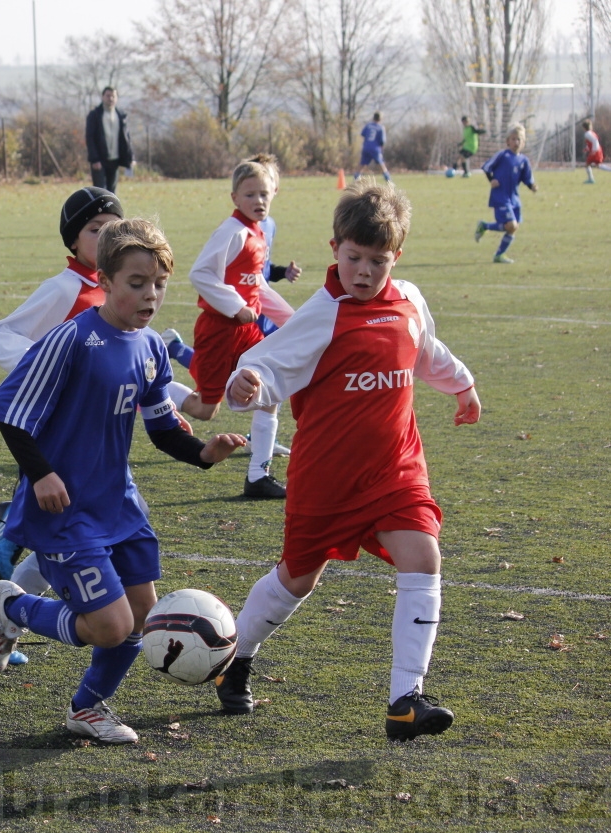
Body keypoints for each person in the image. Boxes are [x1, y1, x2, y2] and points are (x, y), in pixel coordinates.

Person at [217, 180, 481, 742]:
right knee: (296, 581)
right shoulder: (323, 314)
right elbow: (268, 364)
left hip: (394, 472)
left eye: (377, 260)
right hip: (326, 480)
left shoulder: (408, 300)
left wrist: (462, 386)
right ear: (334, 248)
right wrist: (250, 382)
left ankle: (405, 699)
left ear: (396, 258)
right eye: (354, 256)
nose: (364, 270)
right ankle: (234, 657)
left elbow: (426, 351)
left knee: (423, 556)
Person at [0, 217, 245, 744]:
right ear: (105, 280)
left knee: (142, 620)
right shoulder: (71, 340)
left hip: (119, 508)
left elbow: (164, 427)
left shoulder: (149, 349)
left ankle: (88, 709)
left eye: (159, 284)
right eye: (137, 283)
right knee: (110, 626)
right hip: (66, 512)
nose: (150, 295)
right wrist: (42, 474)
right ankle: (11, 606)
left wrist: (203, 453)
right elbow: (8, 412)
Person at [0, 186, 125, 667]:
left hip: (90, 441)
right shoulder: (66, 288)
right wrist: (49, 370)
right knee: (73, 542)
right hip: (57, 437)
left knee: (68, 544)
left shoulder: (113, 290)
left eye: (116, 228)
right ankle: (12, 535)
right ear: (74, 241)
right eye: (97, 230)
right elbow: (1, 333)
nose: (108, 235)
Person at [161, 153, 300, 458]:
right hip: (219, 329)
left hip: (246, 330)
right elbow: (201, 273)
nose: (259, 200)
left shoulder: (258, 232)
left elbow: (257, 285)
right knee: (205, 409)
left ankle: (258, 470)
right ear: (235, 197)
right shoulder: (233, 231)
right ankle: (155, 392)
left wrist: (291, 318)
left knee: (270, 383)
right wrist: (236, 306)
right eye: (250, 194)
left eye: (264, 194)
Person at [474, 124, 537, 264]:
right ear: (508, 141)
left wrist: (532, 186)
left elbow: (526, 178)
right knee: (512, 225)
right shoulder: (503, 155)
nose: (516, 142)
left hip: (514, 198)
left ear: (523, 142)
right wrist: (492, 179)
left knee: (512, 228)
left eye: (519, 139)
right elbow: (486, 167)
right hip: (500, 196)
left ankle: (499, 254)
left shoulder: (523, 160)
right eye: (513, 139)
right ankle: (485, 227)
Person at [85, 87, 134, 194]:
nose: (110, 98)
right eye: (108, 96)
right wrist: (94, 159)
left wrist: (130, 157)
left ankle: (111, 211)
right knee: (100, 191)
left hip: (115, 159)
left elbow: (126, 138)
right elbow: (90, 138)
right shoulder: (95, 115)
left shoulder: (121, 115)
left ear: (116, 98)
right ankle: (98, 211)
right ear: (103, 97)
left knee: (112, 192)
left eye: (113, 96)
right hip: (100, 160)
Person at [355, 112, 391, 182]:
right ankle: (388, 180)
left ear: (373, 117)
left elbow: (363, 134)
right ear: (380, 119)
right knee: (381, 164)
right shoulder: (380, 127)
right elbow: (382, 141)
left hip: (366, 147)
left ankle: (356, 178)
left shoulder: (368, 125)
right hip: (375, 148)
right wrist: (381, 149)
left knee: (362, 164)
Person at [581, 118, 611, 184]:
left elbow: (594, 141)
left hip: (596, 150)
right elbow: (592, 142)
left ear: (584, 127)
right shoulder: (591, 133)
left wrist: (594, 151)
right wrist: (588, 148)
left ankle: (591, 179)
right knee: (598, 165)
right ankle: (591, 179)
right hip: (598, 150)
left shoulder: (587, 134)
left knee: (587, 164)